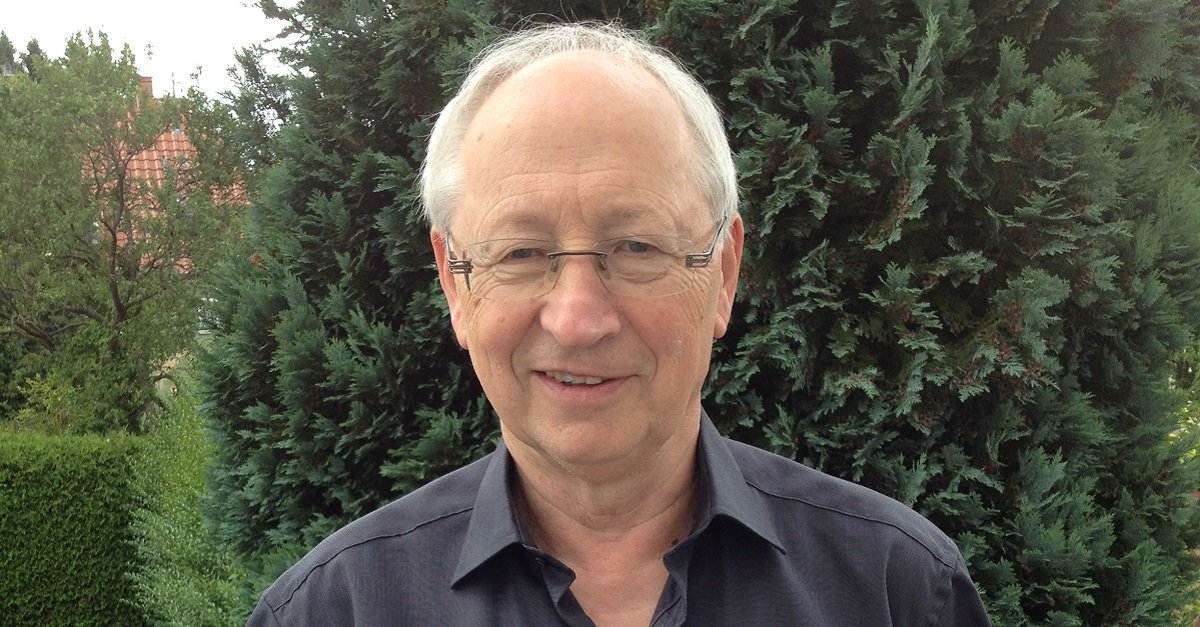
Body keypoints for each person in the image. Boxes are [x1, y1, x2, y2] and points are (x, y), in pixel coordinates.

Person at [247, 22, 992, 626]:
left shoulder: (897, 591)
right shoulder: (332, 611)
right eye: (521, 252)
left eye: (636, 247)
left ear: (723, 272)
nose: (577, 319)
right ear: (455, 283)